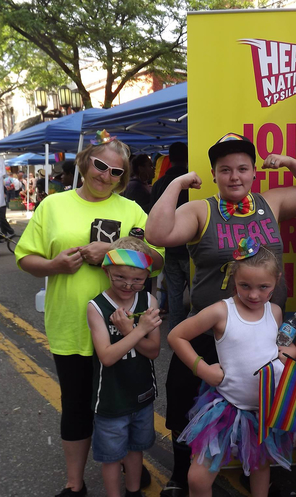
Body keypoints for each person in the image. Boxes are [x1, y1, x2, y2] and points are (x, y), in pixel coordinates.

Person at [146, 133, 296, 497]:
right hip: (212, 327)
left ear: (253, 173)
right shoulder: (202, 209)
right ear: (214, 173)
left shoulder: (270, 202)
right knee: (185, 399)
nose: (234, 176)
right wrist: (179, 182)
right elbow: (157, 232)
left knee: (264, 402)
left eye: (243, 168)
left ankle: (262, 473)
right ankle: (182, 474)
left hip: (266, 329)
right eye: (225, 169)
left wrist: (290, 163)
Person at [15, 129, 164, 497]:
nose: (106, 176)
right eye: (100, 166)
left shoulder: (130, 209)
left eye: (117, 173)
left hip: (124, 329)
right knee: (78, 406)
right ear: (85, 163)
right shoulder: (53, 205)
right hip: (72, 325)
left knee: (128, 403)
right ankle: (74, 483)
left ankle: (132, 470)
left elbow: (157, 261)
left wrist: (113, 250)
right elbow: (25, 258)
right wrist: (54, 266)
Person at [167, 239, 295, 497]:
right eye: (245, 286)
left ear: (276, 281)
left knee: (260, 466)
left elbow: (275, 347)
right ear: (233, 277)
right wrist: (202, 369)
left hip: (264, 408)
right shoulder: (221, 311)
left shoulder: (276, 312)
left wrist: (285, 353)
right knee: (198, 479)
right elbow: (176, 336)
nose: (254, 294)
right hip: (226, 407)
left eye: (263, 287)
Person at [88, 237, 162, 497]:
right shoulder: (96, 307)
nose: (129, 285)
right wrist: (137, 331)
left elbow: (153, 351)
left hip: (141, 394)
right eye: (119, 277)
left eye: (138, 279)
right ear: (106, 270)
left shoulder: (149, 302)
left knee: (135, 449)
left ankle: (133, 491)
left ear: (146, 276)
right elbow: (107, 357)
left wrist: (130, 330)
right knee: (110, 456)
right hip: (110, 398)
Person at [149, 142, 189, 325]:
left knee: (174, 294)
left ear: (169, 159)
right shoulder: (192, 182)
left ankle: (175, 331)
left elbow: (153, 215)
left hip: (169, 249)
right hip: (191, 247)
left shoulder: (159, 185)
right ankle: (192, 336)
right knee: (196, 294)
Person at [0, 156, 15, 238]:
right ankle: (4, 233)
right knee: (1, 218)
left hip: (1, 202)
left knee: (1, 218)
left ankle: (9, 231)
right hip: (2, 201)